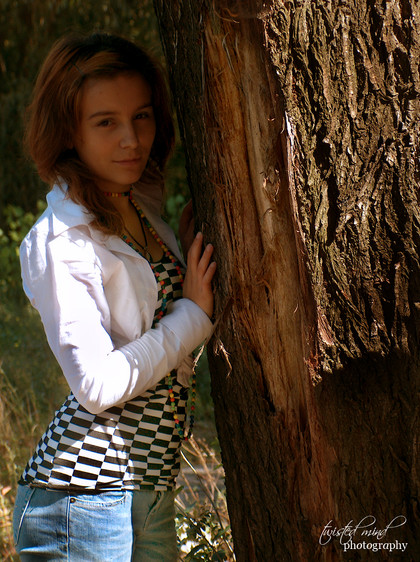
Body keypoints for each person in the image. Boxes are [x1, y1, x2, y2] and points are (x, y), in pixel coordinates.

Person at [12, 32, 216, 561]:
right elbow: (97, 385)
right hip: (82, 495)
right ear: (68, 132)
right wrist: (192, 314)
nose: (131, 139)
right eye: (106, 122)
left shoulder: (137, 202)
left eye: (141, 116)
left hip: (149, 487)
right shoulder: (62, 241)